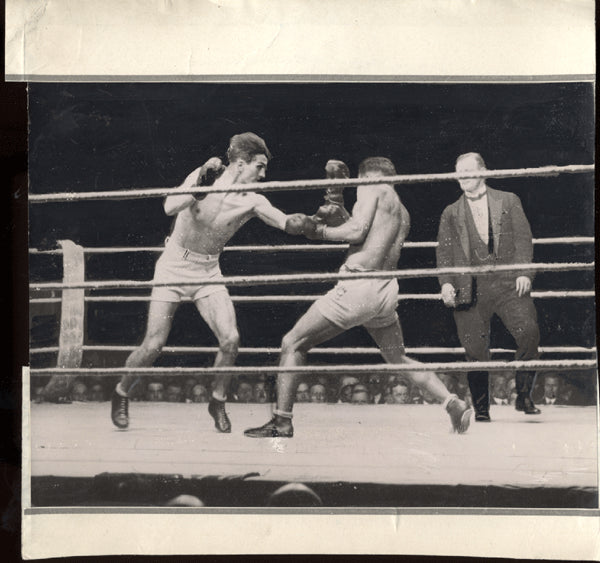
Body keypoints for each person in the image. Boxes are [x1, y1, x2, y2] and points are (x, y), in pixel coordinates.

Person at [245, 157, 473, 438]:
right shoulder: (400, 208)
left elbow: (355, 231)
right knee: (398, 357)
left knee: (292, 342)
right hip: (386, 290)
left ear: (365, 175)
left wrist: (317, 231)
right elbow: (365, 236)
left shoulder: (372, 187)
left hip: (358, 286)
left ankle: (281, 421)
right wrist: (338, 207)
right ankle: (453, 403)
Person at [111, 132, 317, 433]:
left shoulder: (254, 200)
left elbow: (285, 222)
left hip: (208, 272)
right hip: (173, 265)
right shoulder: (204, 175)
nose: (263, 174)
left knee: (230, 339)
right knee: (153, 343)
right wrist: (199, 188)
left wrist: (315, 223)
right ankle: (121, 393)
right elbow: (169, 207)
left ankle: (217, 401)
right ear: (241, 163)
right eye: (259, 166)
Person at [436, 152, 541, 422]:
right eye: (458, 172)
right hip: (469, 287)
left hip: (508, 283)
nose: (462, 177)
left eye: (468, 171)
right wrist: (446, 283)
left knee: (529, 332)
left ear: (483, 172)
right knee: (474, 349)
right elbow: (444, 253)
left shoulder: (508, 200)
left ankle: (524, 395)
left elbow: (523, 238)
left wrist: (524, 272)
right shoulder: (451, 211)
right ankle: (482, 409)